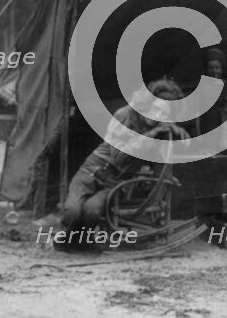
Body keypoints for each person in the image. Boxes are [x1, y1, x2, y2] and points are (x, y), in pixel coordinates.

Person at [57, 78, 189, 248]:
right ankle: (68, 239)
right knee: (72, 212)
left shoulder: (161, 128)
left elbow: (160, 160)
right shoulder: (124, 115)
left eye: (164, 114)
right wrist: (152, 134)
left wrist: (166, 176)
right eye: (156, 109)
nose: (158, 116)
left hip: (115, 181)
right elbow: (119, 156)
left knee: (92, 211)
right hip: (92, 170)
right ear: (148, 103)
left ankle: (85, 242)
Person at [196, 47, 227, 135]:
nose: (214, 71)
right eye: (211, 68)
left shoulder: (226, 86)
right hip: (208, 124)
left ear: (221, 68)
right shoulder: (202, 87)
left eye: (217, 67)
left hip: (225, 125)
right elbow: (198, 111)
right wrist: (198, 132)